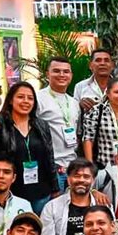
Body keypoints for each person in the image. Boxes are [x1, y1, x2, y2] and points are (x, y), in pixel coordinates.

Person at [0, 82, 58, 215]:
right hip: (12, 192)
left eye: (30, 98)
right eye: (21, 97)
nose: (26, 101)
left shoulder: (41, 125)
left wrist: (55, 188)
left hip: (41, 192)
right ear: (11, 100)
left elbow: (49, 157)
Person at [40, 158, 106, 235]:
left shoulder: (103, 205)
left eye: (86, 176)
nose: (81, 180)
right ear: (68, 179)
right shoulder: (52, 207)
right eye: (77, 176)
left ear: (93, 180)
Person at [36, 57, 79, 193]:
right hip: (52, 168)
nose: (61, 75)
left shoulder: (74, 102)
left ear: (71, 75)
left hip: (72, 167)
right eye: (56, 71)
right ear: (47, 74)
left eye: (66, 71)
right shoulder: (37, 99)